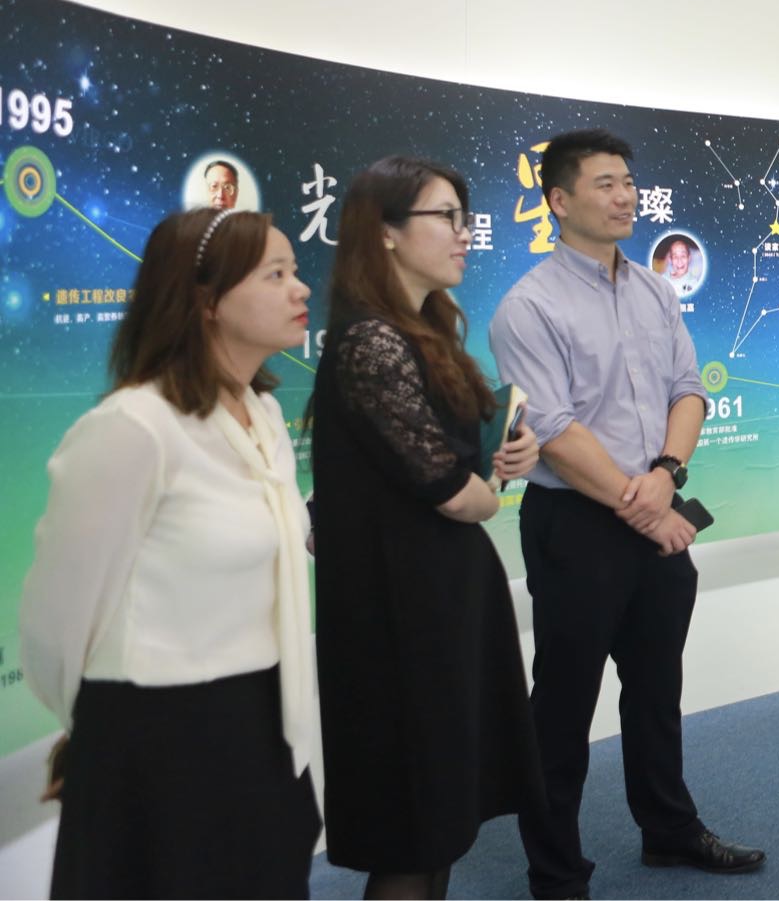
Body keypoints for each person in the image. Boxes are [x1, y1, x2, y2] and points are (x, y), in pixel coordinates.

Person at [489, 128, 765, 900]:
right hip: (576, 525)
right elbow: (553, 430)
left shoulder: (654, 290)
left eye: (628, 183)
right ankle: (556, 869)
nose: (624, 196)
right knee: (563, 702)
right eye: (604, 184)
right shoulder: (527, 306)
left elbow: (689, 389)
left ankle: (668, 829)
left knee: (656, 689)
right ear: (558, 199)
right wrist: (643, 506)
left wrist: (667, 475)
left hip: (658, 502)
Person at [19, 207, 321, 897]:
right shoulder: (134, 427)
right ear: (205, 300)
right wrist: (91, 728)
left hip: (264, 722)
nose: (300, 288)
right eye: (275, 274)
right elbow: (56, 622)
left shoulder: (263, 416)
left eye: (295, 270)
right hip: (157, 738)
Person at [310, 156, 544, 900]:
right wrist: (487, 489)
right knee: (414, 827)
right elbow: (453, 491)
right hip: (399, 619)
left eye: (463, 217)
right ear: (384, 231)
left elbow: (470, 456)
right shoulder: (370, 343)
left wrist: (510, 451)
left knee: (442, 819)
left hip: (443, 600)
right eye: (445, 217)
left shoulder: (427, 329)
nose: (463, 233)